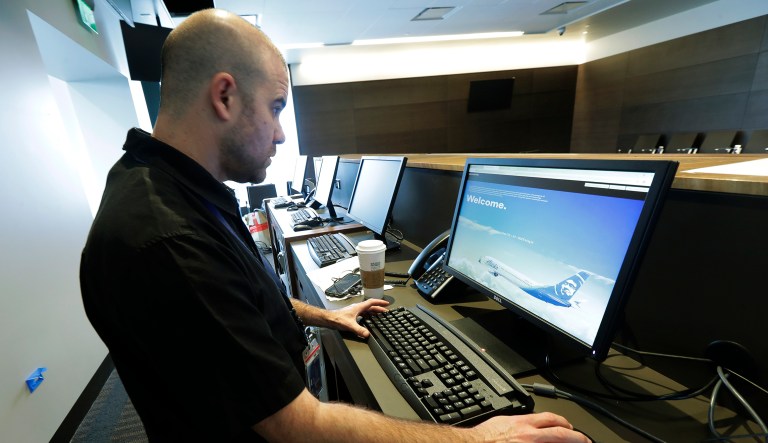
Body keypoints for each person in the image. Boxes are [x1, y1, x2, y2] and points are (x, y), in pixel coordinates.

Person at [80, 8, 590, 442]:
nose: (281, 134)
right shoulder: (169, 239)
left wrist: (328, 315)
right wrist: (474, 438)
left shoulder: (170, 188)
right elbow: (297, 425)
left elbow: (241, 298)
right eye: (276, 108)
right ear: (225, 96)